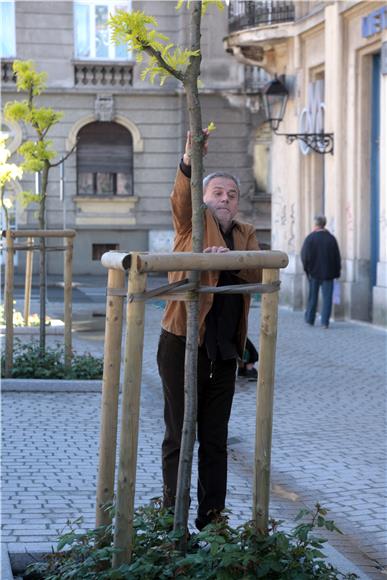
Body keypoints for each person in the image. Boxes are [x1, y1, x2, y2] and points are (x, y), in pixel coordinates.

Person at [157, 131, 261, 531]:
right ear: (204, 198)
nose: (225, 199)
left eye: (231, 194)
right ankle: (172, 518)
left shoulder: (245, 232)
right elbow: (180, 200)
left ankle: (213, 520)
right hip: (182, 343)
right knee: (179, 435)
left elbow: (256, 269)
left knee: (215, 441)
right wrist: (189, 157)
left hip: (224, 351)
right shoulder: (192, 223)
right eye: (217, 192)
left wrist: (229, 257)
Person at [301, 215, 341, 329]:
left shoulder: (310, 238)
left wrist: (307, 270)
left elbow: (304, 256)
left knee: (312, 297)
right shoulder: (331, 239)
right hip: (328, 274)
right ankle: (325, 322)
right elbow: (337, 257)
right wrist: (337, 272)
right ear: (324, 224)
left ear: (316, 224)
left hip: (314, 273)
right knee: (327, 298)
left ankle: (310, 319)